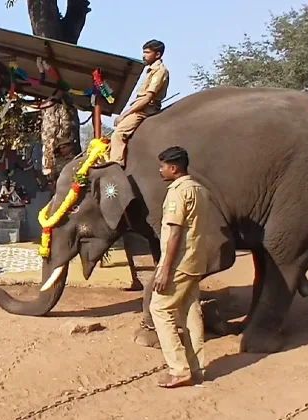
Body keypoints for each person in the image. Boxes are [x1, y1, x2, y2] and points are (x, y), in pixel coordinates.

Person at [150, 146, 215, 388]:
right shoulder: (200, 190)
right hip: (196, 260)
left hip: (179, 263)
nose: (160, 170)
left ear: (174, 168)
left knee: (159, 309)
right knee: (190, 312)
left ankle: (178, 369)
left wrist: (165, 270)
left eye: (163, 166)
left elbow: (175, 233)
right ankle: (196, 368)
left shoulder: (178, 193)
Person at [109, 39, 170, 167]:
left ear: (157, 55)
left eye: (147, 52)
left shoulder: (160, 71)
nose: (143, 55)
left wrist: (124, 114)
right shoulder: (150, 70)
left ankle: (115, 166)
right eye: (143, 52)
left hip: (145, 109)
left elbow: (147, 98)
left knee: (118, 134)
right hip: (140, 108)